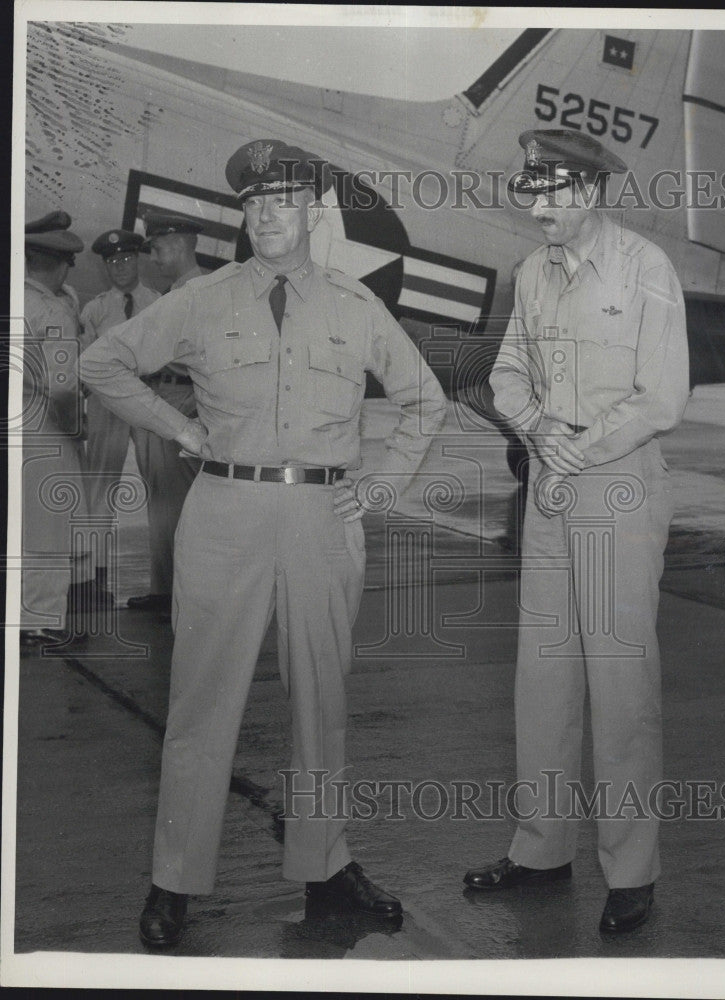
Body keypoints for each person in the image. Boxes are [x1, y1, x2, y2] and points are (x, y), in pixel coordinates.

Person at [79, 138, 447, 948]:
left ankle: (326, 870)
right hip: (225, 513)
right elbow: (103, 363)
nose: (267, 214)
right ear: (243, 213)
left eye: (283, 200)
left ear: (312, 211)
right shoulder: (204, 298)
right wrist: (179, 425)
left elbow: (425, 399)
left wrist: (383, 485)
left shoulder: (356, 304)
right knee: (201, 706)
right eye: (254, 202)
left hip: (324, 519)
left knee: (324, 702)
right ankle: (175, 880)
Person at [467, 130, 689, 934]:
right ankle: (541, 849)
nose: (539, 206)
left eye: (554, 192)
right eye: (533, 190)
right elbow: (506, 373)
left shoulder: (644, 269)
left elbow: (661, 398)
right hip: (552, 486)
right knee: (544, 677)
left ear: (591, 192)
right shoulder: (532, 273)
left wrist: (574, 445)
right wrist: (536, 431)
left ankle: (632, 872)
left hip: (619, 486)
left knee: (622, 685)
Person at [125, 213, 205, 613]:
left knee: (173, 503)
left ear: (177, 244)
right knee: (163, 501)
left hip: (179, 401)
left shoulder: (193, 294)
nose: (153, 259)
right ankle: (165, 591)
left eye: (155, 249)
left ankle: (176, 596)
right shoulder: (184, 291)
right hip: (166, 398)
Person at [80, 230, 160, 602]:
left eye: (126, 259)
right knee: (99, 488)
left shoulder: (158, 303)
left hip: (148, 399)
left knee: (161, 488)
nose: (120, 267)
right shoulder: (94, 310)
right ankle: (93, 577)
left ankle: (166, 579)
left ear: (138, 260)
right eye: (112, 262)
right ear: (105, 266)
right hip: (106, 404)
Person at [21, 211, 86, 647]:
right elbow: (63, 390)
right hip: (46, 428)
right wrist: (78, 430)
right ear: (61, 263)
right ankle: (39, 621)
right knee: (49, 528)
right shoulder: (54, 311)